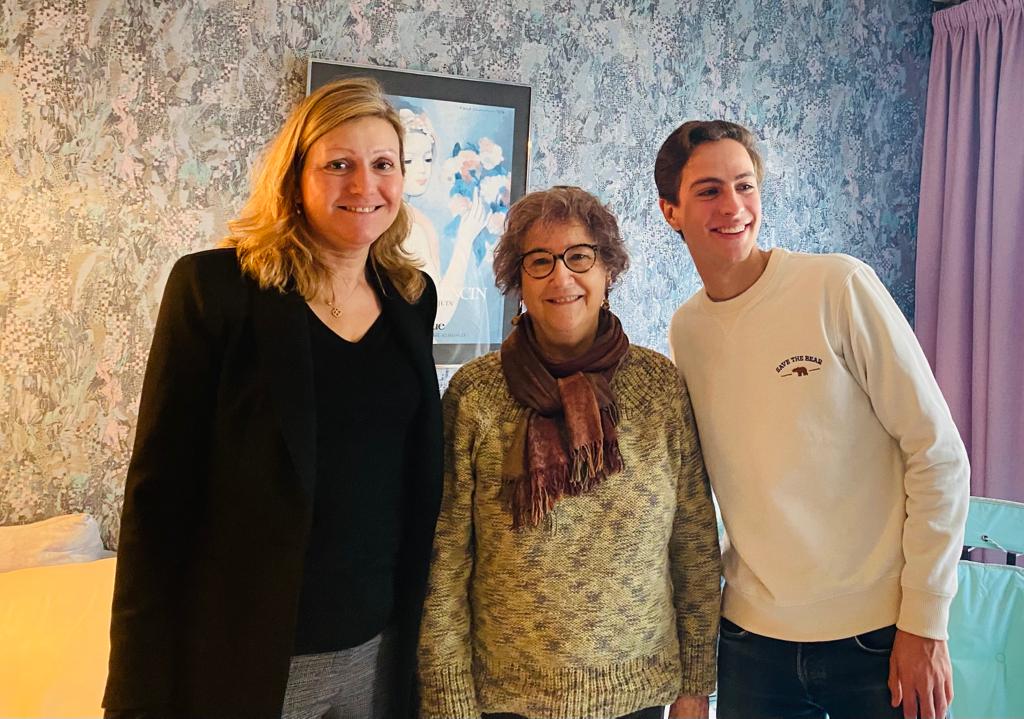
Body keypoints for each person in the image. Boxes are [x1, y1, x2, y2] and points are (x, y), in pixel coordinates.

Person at [102, 78, 443, 719]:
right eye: (338, 164)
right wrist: (132, 694)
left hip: (381, 649)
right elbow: (158, 500)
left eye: (382, 165)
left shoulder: (411, 298)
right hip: (252, 654)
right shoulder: (214, 290)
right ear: (295, 176)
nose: (364, 186)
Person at [655, 120, 970, 719]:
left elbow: (938, 453)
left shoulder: (837, 285)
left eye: (745, 186)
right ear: (671, 210)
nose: (733, 206)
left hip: (878, 635)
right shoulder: (686, 331)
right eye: (709, 191)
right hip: (752, 643)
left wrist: (926, 621)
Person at [417, 186, 721, 719]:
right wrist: (447, 702)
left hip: (640, 694)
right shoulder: (475, 396)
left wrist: (696, 683)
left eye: (580, 257)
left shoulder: (660, 388)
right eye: (540, 262)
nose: (562, 277)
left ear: (608, 271)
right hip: (506, 700)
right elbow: (445, 562)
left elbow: (693, 541)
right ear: (518, 282)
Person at [398, 105, 488, 332]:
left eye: (427, 159)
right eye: (408, 161)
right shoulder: (406, 227)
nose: (422, 170)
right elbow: (439, 316)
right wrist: (465, 240)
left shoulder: (410, 217)